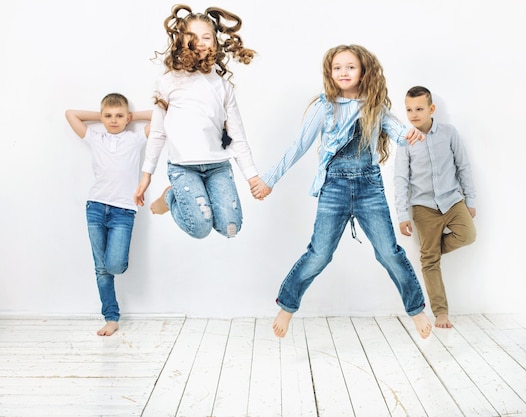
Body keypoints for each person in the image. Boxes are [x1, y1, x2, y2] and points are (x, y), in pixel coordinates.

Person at [251, 44, 432, 339]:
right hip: (333, 187)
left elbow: (399, 133)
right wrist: (269, 179)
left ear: (363, 71)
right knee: (320, 254)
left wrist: (411, 134)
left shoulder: (375, 107)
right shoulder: (324, 106)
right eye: (337, 67)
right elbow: (298, 146)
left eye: (350, 67)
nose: (343, 72)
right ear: (330, 72)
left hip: (369, 187)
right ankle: (287, 306)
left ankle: (416, 310)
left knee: (389, 252)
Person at [134, 4, 263, 240]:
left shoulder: (222, 86)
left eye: (207, 37)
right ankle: (170, 197)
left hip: (218, 167)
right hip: (183, 168)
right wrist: (146, 174)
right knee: (200, 228)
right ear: (181, 41)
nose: (201, 42)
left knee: (230, 228)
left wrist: (252, 175)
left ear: (215, 42)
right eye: (193, 37)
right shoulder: (168, 82)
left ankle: (198, 198)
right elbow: (158, 132)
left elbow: (237, 136)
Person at [65, 93, 151, 336]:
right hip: (95, 207)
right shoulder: (96, 137)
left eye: (119, 116)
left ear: (127, 118)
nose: (114, 120)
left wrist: (132, 118)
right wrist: (100, 117)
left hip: (123, 210)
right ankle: (111, 317)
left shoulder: (135, 139)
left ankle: (115, 271)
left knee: (113, 265)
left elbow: (161, 116)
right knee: (101, 269)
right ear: (102, 118)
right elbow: (70, 114)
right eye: (109, 116)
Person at [393, 86, 476, 329]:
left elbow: (463, 167)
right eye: (409, 110)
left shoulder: (449, 133)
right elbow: (400, 180)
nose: (414, 114)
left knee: (468, 235)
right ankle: (441, 313)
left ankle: (431, 254)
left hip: (452, 201)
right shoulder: (405, 141)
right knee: (429, 262)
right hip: (423, 206)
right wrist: (401, 215)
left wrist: (469, 201)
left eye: (419, 109)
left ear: (432, 109)